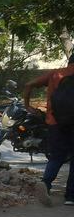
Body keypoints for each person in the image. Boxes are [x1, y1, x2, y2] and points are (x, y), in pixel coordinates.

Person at [22, 53, 74, 205]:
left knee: (57, 156)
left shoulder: (55, 74)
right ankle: (70, 197)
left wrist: (27, 106)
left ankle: (45, 183)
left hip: (55, 122)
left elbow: (28, 85)